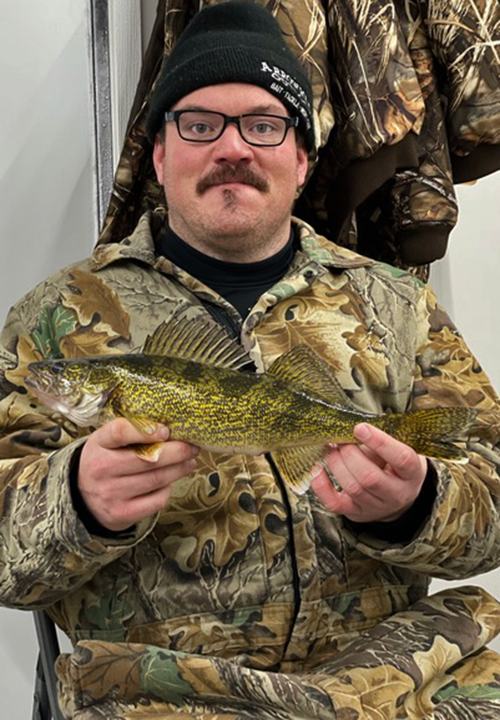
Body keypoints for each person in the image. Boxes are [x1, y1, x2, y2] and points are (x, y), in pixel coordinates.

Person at [1, 1, 500, 718]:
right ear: (161, 153)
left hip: (387, 685)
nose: (231, 149)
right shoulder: (51, 321)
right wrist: (75, 500)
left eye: (263, 125)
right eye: (199, 124)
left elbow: (491, 487)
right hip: (165, 691)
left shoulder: (401, 306)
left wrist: (415, 505)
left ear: (301, 158)